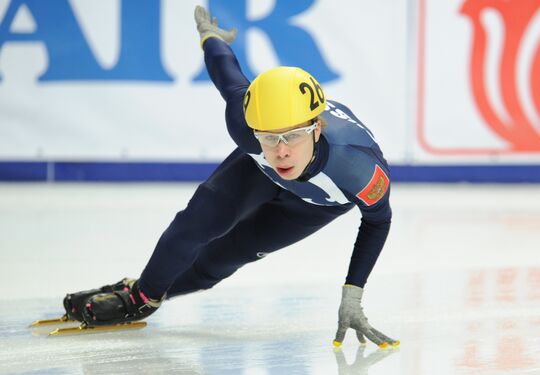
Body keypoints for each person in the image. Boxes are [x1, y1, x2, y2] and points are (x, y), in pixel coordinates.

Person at [64, 5, 399, 348]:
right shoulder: (245, 125)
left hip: (315, 205)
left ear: (317, 129)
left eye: (293, 136)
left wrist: (352, 294)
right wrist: (211, 37)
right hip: (257, 173)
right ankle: (140, 298)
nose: (281, 151)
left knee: (224, 258)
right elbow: (227, 73)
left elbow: (378, 221)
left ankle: (153, 290)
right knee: (194, 225)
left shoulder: (360, 170)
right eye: (269, 137)